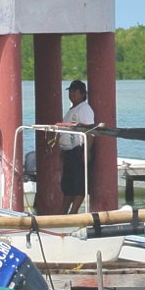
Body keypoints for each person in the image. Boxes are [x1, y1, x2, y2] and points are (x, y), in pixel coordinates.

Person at [56, 79, 96, 213]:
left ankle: (73, 213)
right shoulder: (71, 110)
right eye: (71, 91)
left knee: (79, 185)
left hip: (78, 150)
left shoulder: (84, 108)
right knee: (68, 186)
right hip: (68, 152)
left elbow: (90, 131)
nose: (72, 93)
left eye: (75, 91)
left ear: (82, 93)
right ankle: (62, 213)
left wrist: (86, 151)